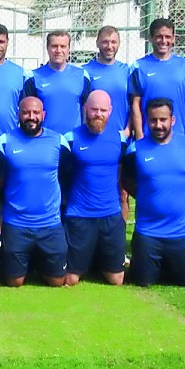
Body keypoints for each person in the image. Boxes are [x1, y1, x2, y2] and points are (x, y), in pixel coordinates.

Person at [120, 98, 185, 287]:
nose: (158, 125)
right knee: (142, 282)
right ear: (146, 121)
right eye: (153, 120)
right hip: (148, 234)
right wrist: (148, 195)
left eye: (163, 120)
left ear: (172, 120)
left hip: (183, 234)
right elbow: (126, 182)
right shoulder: (135, 150)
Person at [0, 95, 67, 287]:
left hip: (50, 225)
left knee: (57, 282)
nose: (30, 117)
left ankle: (38, 262)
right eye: (26, 112)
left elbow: (68, 178)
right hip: (16, 224)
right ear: (18, 114)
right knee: (13, 282)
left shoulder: (59, 141)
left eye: (35, 112)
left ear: (43, 114)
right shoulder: (4, 142)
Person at [59, 90, 126, 286]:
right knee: (70, 279)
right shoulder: (70, 139)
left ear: (110, 111)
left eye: (103, 110)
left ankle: (98, 261)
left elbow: (122, 177)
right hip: (79, 215)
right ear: (85, 109)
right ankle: (86, 260)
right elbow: (62, 176)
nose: (98, 114)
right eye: (94, 109)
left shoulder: (120, 140)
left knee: (116, 280)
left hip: (110, 215)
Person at [129, 18, 185, 139]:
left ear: (173, 38)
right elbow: (135, 104)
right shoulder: (139, 67)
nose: (164, 41)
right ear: (151, 38)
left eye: (168, 37)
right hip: (149, 138)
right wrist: (139, 136)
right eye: (159, 36)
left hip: (179, 137)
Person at [24, 30, 88, 136]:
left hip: (74, 140)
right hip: (45, 140)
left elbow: (86, 109)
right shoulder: (33, 77)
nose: (58, 50)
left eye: (63, 46)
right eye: (54, 46)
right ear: (47, 48)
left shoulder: (82, 75)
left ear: (69, 49)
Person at [83, 25, 132, 137]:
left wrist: (128, 130)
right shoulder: (85, 71)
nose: (109, 46)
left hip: (121, 136)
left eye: (113, 42)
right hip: (94, 136)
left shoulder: (127, 71)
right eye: (105, 42)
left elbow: (134, 104)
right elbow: (82, 106)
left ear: (119, 44)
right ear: (97, 43)